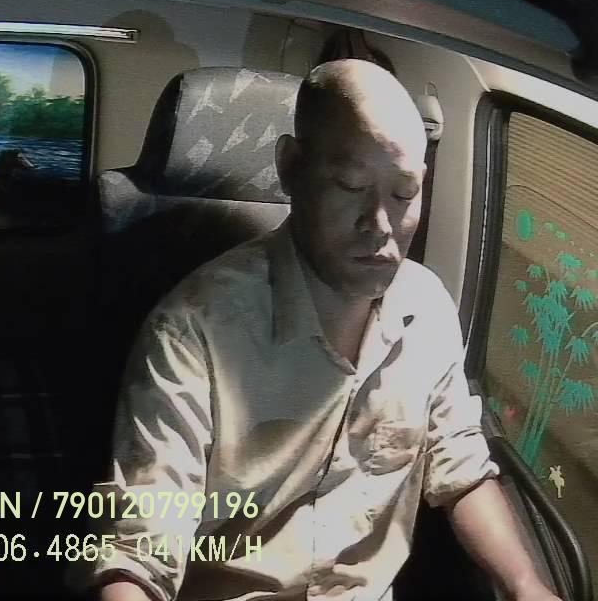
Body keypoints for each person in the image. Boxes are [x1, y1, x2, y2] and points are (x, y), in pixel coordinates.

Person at [92, 59, 561, 601]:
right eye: (350, 185)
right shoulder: (193, 330)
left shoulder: (427, 307)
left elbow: (459, 467)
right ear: (291, 168)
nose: (380, 225)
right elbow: (141, 538)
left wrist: (526, 585)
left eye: (404, 193)